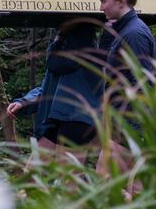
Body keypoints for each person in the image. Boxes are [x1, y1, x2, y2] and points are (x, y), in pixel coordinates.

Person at [7, 21, 104, 165]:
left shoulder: (84, 52)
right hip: (57, 119)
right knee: (34, 174)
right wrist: (24, 102)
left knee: (68, 179)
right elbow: (50, 89)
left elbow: (61, 71)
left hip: (77, 119)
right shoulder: (60, 47)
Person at [95, 0, 156, 194]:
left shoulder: (135, 34)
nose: (100, 6)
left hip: (128, 124)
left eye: (104, 1)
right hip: (122, 124)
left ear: (120, 2)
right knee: (134, 188)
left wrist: (131, 130)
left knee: (105, 185)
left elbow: (140, 85)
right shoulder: (123, 30)